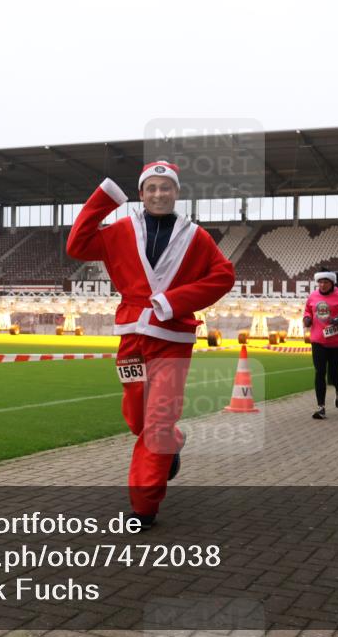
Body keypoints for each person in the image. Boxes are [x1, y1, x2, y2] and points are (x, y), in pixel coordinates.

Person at [67, 160, 234, 530]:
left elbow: (224, 275)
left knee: (157, 422)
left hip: (173, 340)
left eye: (166, 187)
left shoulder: (198, 237)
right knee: (136, 415)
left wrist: (175, 301)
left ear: (176, 192)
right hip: (131, 338)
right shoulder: (120, 230)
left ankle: (144, 506)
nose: (159, 194)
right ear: (141, 194)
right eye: (152, 188)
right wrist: (105, 198)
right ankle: (173, 441)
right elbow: (77, 245)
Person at [302, 269, 338, 420]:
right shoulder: (313, 296)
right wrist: (307, 318)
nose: (322, 285)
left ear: (332, 282)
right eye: (320, 282)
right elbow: (308, 310)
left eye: (325, 282)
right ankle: (321, 407)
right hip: (318, 340)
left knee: (334, 375)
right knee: (319, 372)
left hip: (337, 342)